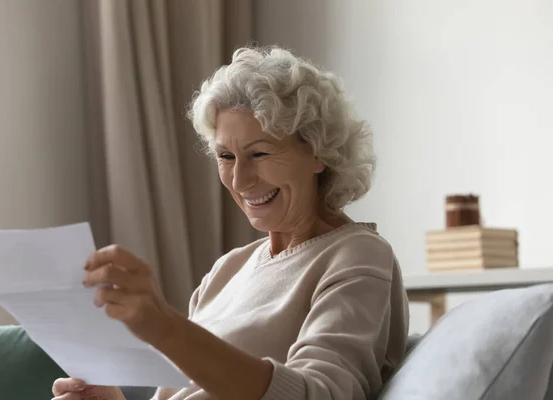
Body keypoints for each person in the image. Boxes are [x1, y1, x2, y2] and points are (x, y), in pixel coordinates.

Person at [52, 46, 409, 400]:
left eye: (259, 154)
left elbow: (320, 395)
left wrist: (165, 327)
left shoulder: (357, 255)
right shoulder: (228, 270)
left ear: (319, 152)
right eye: (226, 156)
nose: (240, 180)